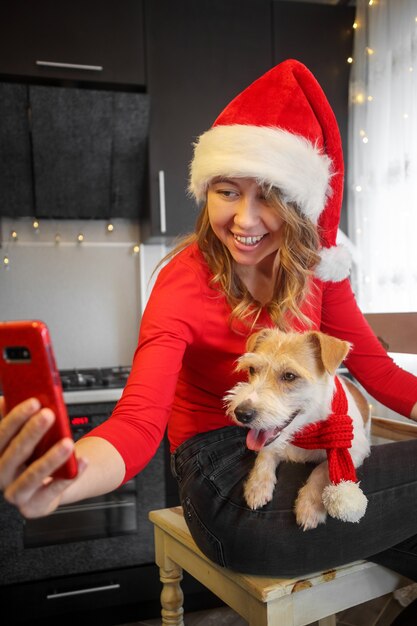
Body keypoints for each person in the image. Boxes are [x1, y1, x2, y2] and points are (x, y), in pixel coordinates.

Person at [1, 60, 417, 609]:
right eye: (226, 191)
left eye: (267, 194)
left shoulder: (321, 270)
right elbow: (136, 421)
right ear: (205, 191)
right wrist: (69, 478)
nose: (243, 219)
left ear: (298, 202)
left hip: (298, 447)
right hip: (223, 484)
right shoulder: (183, 282)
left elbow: (380, 372)